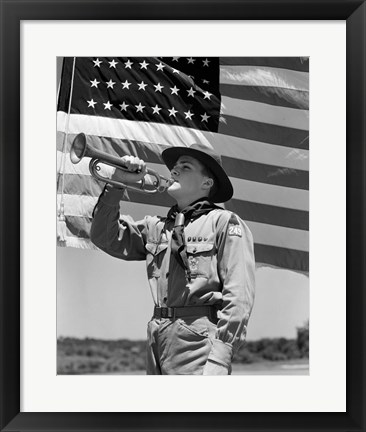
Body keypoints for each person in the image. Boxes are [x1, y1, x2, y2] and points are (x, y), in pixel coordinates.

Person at [90, 143, 255, 375]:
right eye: (174, 167)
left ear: (207, 183)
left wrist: (221, 355)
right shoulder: (156, 227)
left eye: (185, 167)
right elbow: (103, 237)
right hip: (157, 336)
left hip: (197, 340)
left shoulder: (224, 222)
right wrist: (118, 182)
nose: (174, 171)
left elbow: (239, 294)